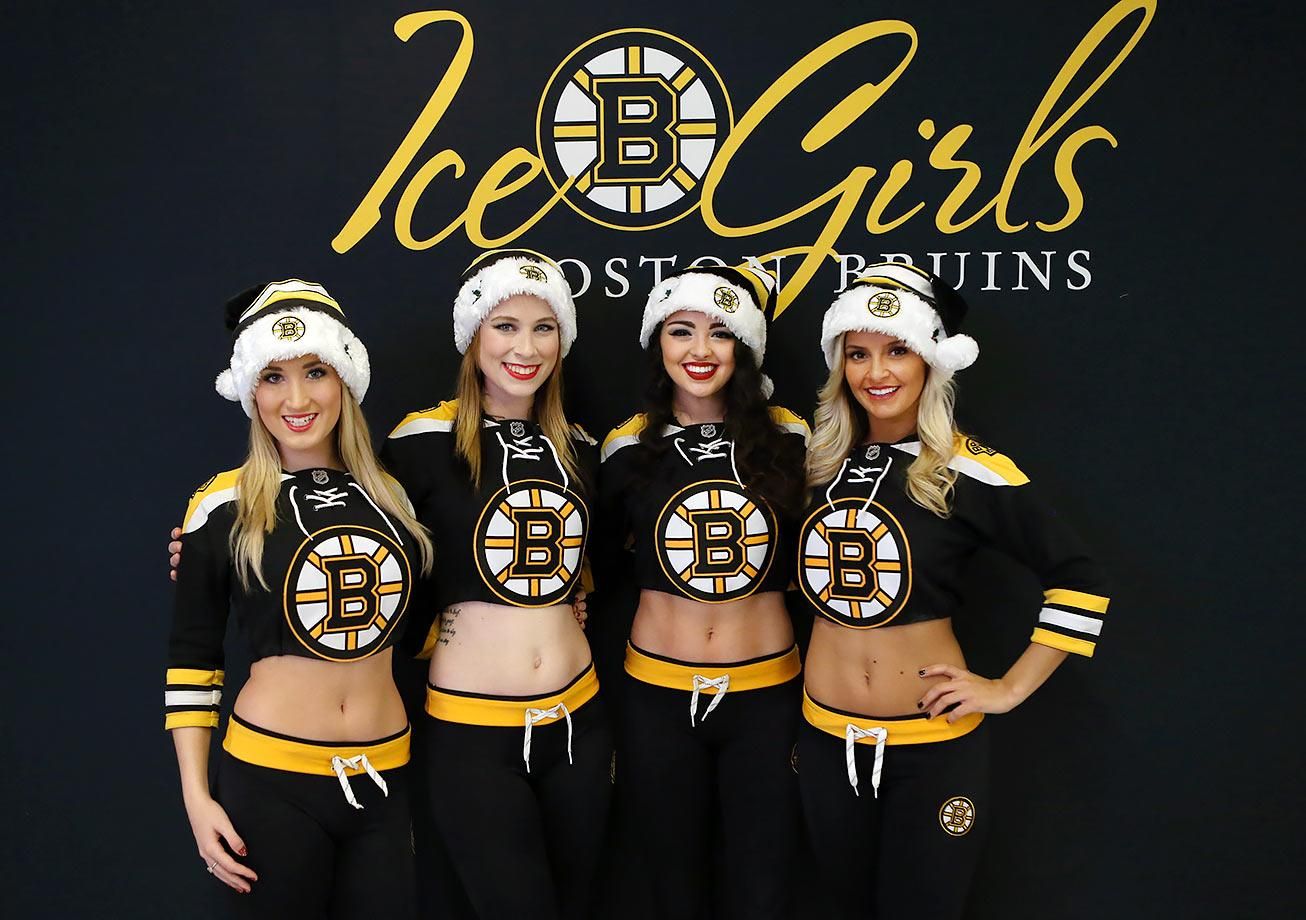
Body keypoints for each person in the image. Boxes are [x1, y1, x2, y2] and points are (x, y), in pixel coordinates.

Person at [794, 262, 1111, 919]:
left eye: (897, 350)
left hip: (931, 749)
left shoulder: (966, 470)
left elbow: (1079, 577)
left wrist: (1009, 688)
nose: (876, 372)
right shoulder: (815, 464)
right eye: (858, 353)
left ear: (931, 360)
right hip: (824, 742)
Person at [165, 279, 433, 918]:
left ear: (345, 378)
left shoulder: (394, 498)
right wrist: (197, 799)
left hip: (385, 776)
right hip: (270, 781)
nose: (297, 399)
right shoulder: (221, 505)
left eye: (315, 371)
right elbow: (193, 660)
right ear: (249, 391)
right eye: (273, 377)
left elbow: (422, 629)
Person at [381, 249, 610, 920]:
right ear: (473, 335)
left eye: (544, 328)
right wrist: (212, 545)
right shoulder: (420, 440)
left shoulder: (580, 446)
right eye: (505, 326)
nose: (525, 348)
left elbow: (616, 553)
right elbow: (344, 525)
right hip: (471, 728)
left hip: (579, 719)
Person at [596, 265, 810, 918]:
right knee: (670, 884)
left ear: (744, 346)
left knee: (762, 885)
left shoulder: (792, 437)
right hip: (657, 694)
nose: (700, 350)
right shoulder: (626, 444)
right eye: (681, 331)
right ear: (657, 342)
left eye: (720, 332)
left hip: (766, 693)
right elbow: (596, 557)